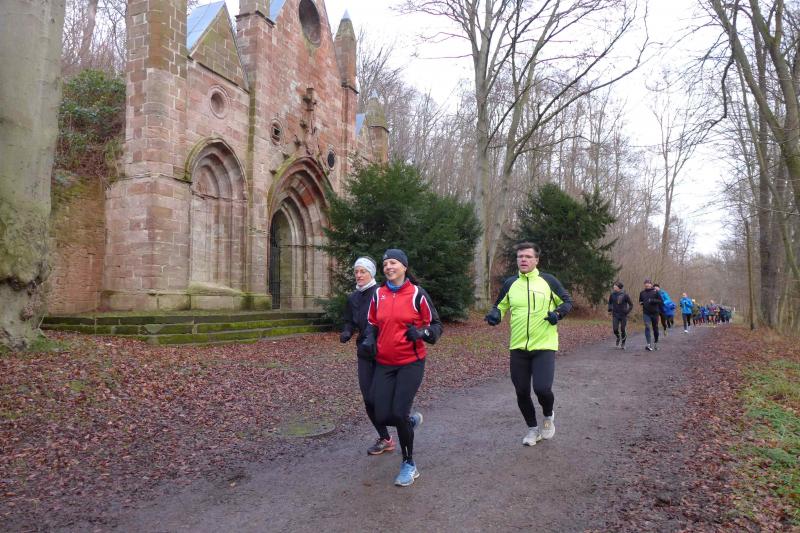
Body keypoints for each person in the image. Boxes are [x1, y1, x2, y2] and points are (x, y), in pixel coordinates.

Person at [363, 249, 442, 487]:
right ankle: (409, 423)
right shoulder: (379, 294)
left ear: (404, 267)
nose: (388, 267)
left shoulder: (417, 294)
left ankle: (409, 464)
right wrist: (370, 339)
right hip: (384, 363)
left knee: (398, 413)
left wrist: (422, 333)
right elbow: (372, 323)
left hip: (411, 362)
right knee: (380, 414)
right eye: (385, 263)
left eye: (393, 262)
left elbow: (436, 326)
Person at [485, 242, 573, 446]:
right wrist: (495, 315)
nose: (523, 260)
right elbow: (500, 306)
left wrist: (558, 314)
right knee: (522, 391)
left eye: (527, 256)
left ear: (536, 260)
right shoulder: (510, 283)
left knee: (542, 389)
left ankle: (548, 415)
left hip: (544, 345)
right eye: (520, 256)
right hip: (518, 347)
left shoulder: (548, 281)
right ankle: (533, 430)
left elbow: (567, 302)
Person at [339, 256, 394, 455]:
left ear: (371, 273)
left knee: (382, 396)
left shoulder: (381, 293)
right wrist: (347, 331)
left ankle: (404, 421)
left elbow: (389, 320)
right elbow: (349, 320)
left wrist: (375, 337)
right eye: (356, 271)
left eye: (363, 271)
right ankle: (385, 438)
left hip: (383, 350)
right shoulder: (353, 298)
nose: (359, 275)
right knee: (368, 398)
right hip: (364, 351)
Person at [639, 279, 663, 352]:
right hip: (646, 313)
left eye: (648, 283)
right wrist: (642, 303)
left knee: (655, 328)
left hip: (655, 313)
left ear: (651, 284)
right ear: (644, 284)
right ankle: (648, 344)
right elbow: (640, 301)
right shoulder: (642, 293)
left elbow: (661, 301)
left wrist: (652, 300)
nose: (647, 284)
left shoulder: (656, 292)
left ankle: (656, 342)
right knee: (647, 326)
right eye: (645, 283)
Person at [607, 281, 633, 349]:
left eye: (615, 285)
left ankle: (623, 343)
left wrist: (627, 311)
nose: (614, 286)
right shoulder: (612, 295)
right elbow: (610, 303)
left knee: (622, 329)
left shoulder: (625, 295)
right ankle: (618, 337)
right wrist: (610, 309)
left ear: (619, 287)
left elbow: (631, 305)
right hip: (615, 315)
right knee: (615, 329)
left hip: (623, 315)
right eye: (614, 285)